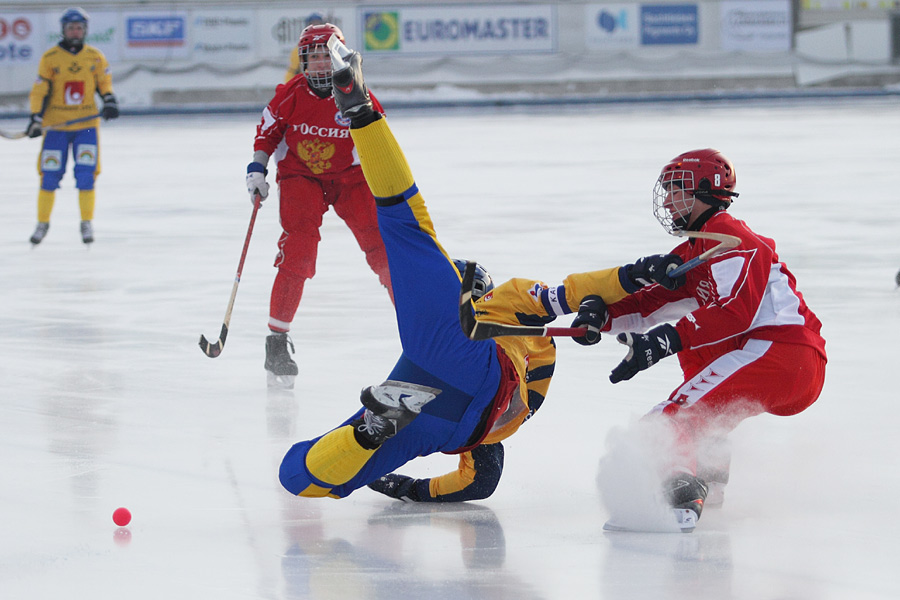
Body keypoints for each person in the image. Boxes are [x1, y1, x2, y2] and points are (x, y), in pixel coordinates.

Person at [276, 36, 684, 503]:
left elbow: (570, 295)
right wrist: (415, 489)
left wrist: (636, 275)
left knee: (301, 479)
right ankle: (360, 109)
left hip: (448, 379)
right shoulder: (532, 337)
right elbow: (480, 479)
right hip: (465, 416)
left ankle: (367, 435)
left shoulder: (498, 305)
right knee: (405, 224)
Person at [596, 148, 827, 530]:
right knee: (705, 414)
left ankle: (680, 504)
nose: (668, 199)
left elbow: (737, 311)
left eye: (676, 187)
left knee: (668, 421)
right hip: (792, 365)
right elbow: (651, 303)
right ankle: (710, 483)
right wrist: (599, 316)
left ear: (705, 189)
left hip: (782, 353)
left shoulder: (731, 237)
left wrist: (665, 340)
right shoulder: (697, 248)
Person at [246, 23, 392, 389]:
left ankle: (417, 323)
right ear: (304, 61)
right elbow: (267, 133)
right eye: (314, 57)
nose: (322, 64)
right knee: (298, 249)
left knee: (382, 247)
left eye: (328, 55)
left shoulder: (359, 94)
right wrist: (256, 170)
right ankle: (276, 341)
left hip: (350, 178)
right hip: (301, 176)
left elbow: (380, 141)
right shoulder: (289, 95)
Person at [27, 7, 119, 246]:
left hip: (86, 126)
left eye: (79, 27)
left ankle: (86, 222)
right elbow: (40, 91)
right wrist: (36, 118)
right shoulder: (50, 59)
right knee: (49, 176)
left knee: (86, 175)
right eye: (71, 28)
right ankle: (42, 223)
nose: (75, 32)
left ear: (85, 30)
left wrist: (109, 101)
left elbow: (104, 84)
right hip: (56, 127)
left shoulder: (95, 57)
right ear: (63, 30)